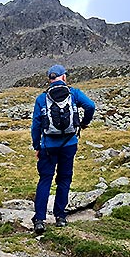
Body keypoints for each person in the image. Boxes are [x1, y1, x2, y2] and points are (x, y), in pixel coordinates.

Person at [30, 64, 95, 234]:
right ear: (64, 77)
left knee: (45, 179)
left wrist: (37, 146)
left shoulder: (41, 98)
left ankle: (39, 220)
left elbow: (36, 126)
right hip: (69, 143)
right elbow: (90, 106)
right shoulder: (74, 93)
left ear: (49, 79)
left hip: (48, 147)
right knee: (64, 179)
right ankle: (60, 217)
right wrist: (84, 123)